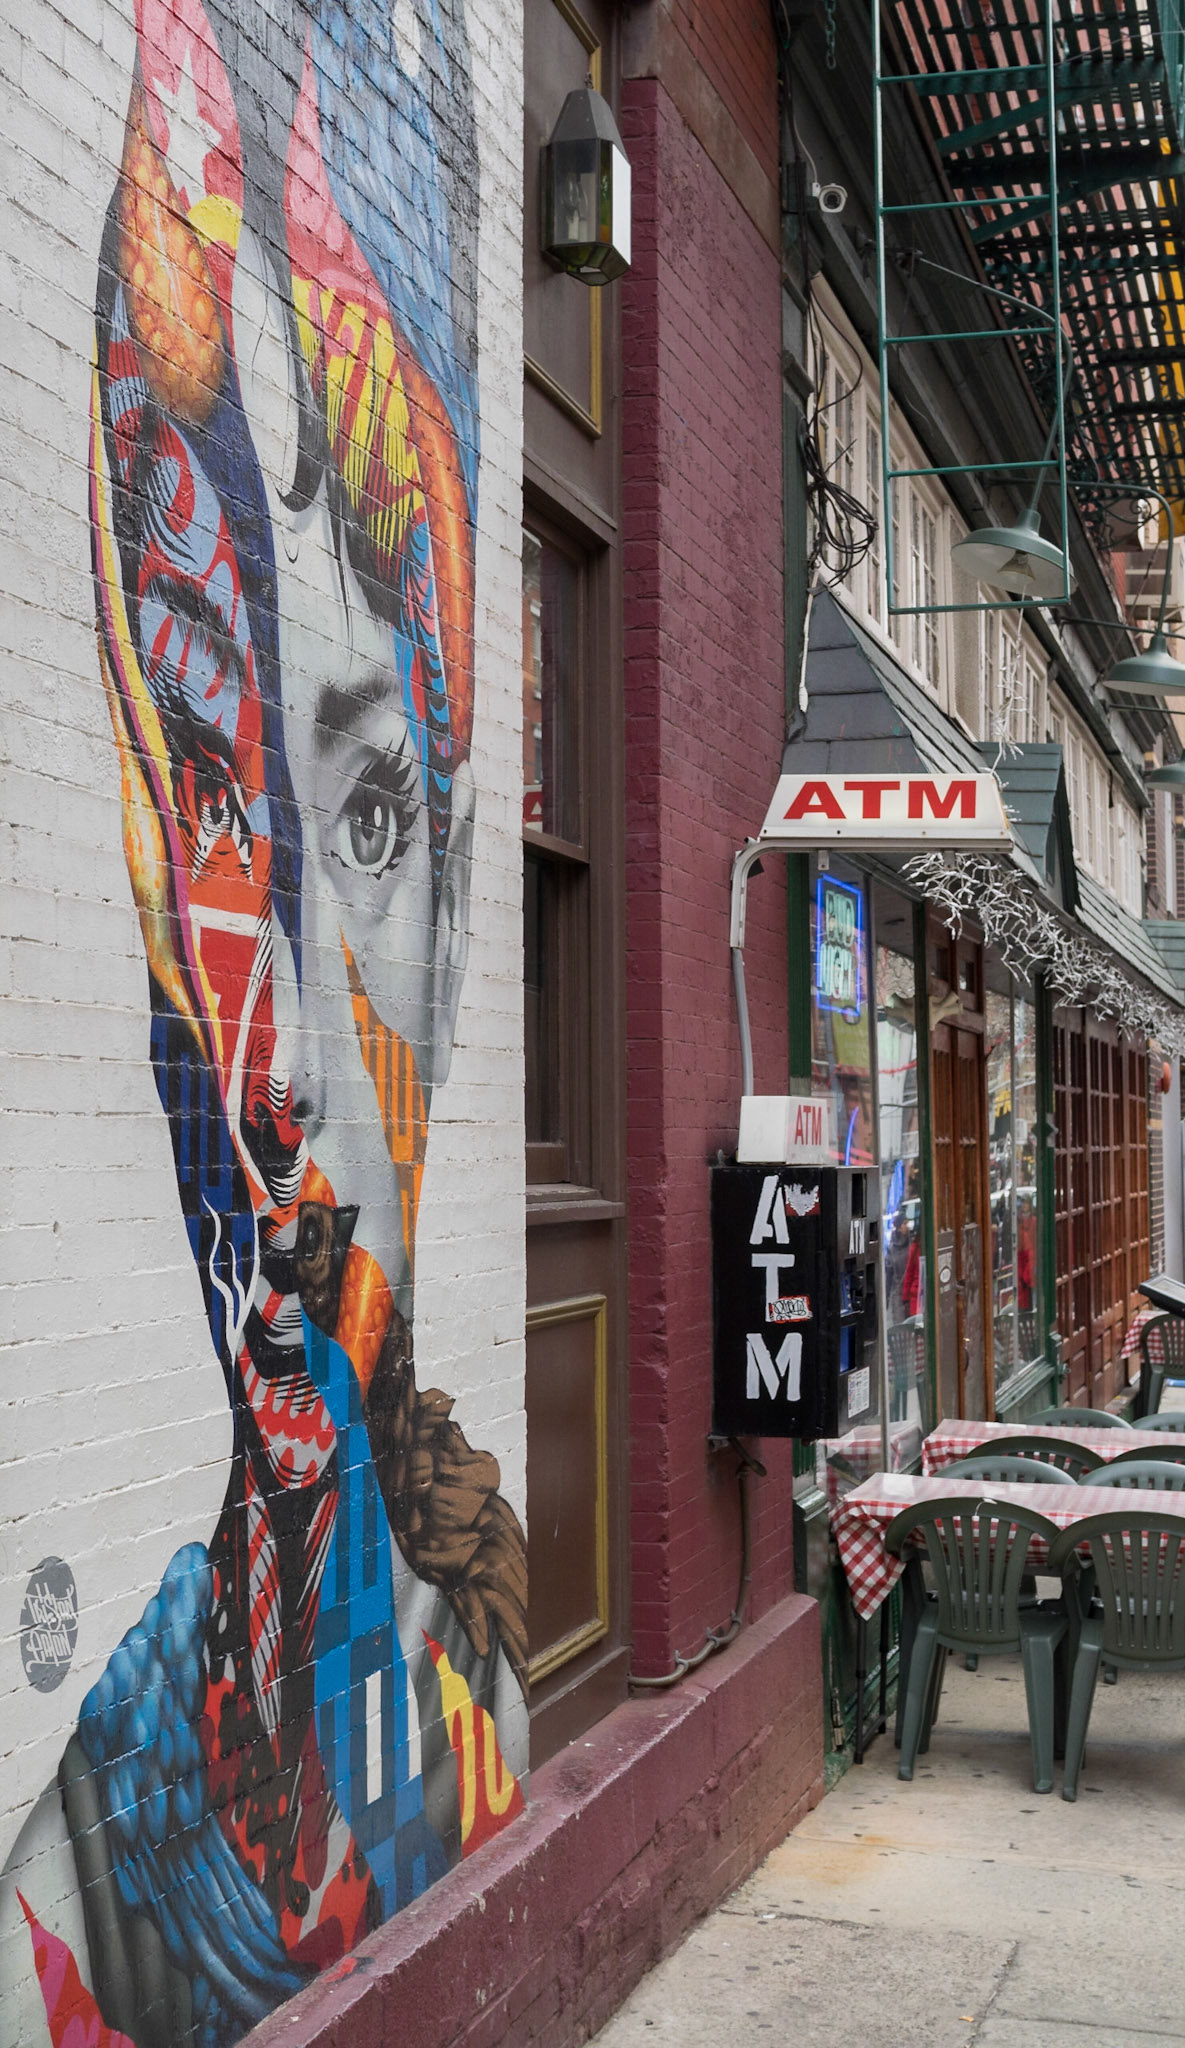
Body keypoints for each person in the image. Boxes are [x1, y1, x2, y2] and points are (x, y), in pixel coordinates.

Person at [3, 5, 529, 2042]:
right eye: (218, 796)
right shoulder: (80, 1900)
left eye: (374, 813)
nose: (282, 1064)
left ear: (468, 901)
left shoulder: (477, 1664)